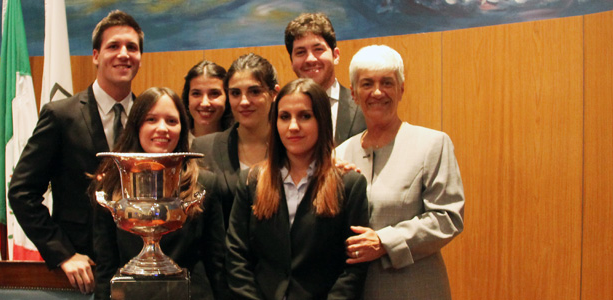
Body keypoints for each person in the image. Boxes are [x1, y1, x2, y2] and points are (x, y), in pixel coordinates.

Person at [7, 10, 143, 294]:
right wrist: (63, 253)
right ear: (95, 55)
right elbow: (21, 192)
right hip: (84, 273)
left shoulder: (150, 118)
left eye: (132, 47)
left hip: (140, 269)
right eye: (113, 46)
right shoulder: (61, 116)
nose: (124, 54)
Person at [337, 45, 465, 300]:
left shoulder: (432, 144)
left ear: (401, 89)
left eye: (387, 82)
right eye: (366, 84)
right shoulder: (338, 155)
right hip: (354, 291)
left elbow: (448, 217)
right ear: (353, 93)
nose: (377, 92)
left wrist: (384, 242)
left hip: (414, 288)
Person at [227, 78, 370, 299]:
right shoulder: (251, 181)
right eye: (284, 117)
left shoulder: (350, 184)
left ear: (321, 120)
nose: (293, 126)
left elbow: (353, 268)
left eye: (305, 116)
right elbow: (236, 256)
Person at [90, 87, 226, 299]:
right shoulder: (111, 186)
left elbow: (216, 262)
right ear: (136, 126)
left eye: (172, 121)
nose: (162, 128)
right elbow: (106, 266)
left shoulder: (204, 184)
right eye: (151, 119)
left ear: (182, 127)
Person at [191, 53, 279, 227]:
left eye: (254, 91)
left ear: (274, 93)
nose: (244, 101)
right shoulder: (204, 148)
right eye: (235, 93)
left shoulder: (290, 146)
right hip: (223, 251)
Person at [285, 12, 366, 145]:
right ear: (292, 62)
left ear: (336, 55)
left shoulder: (362, 107)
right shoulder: (282, 114)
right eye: (300, 52)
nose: (310, 59)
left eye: (318, 49)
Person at [181, 60, 233, 141]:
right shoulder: (175, 143)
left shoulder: (239, 143)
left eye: (214, 93)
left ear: (227, 98)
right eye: (196, 94)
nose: (205, 103)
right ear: (187, 99)